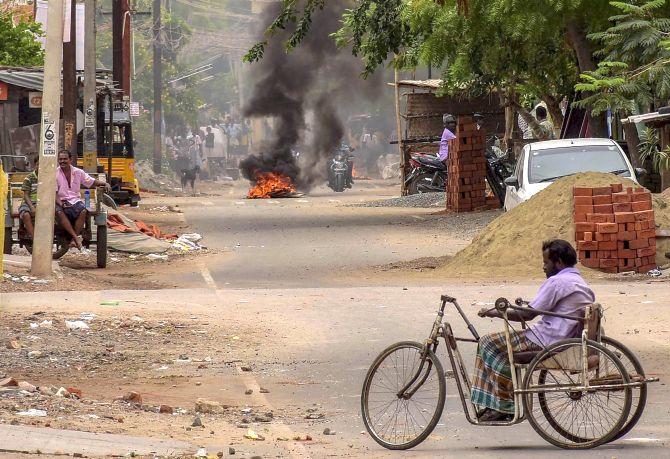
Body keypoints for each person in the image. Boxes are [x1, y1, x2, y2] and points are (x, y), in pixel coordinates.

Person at [472, 240, 595, 422]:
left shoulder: (557, 282)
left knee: (487, 343)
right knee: (494, 345)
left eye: (546, 263)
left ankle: (505, 404)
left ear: (559, 262)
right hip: (562, 337)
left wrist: (496, 312)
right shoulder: (578, 281)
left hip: (546, 340)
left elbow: (527, 315)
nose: (544, 267)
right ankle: (496, 404)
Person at [56, 150, 111, 249]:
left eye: (65, 159)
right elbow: (54, 194)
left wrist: (104, 183)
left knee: (83, 211)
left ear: (70, 160)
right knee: (59, 212)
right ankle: (76, 238)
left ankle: (74, 239)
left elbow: (91, 181)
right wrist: (62, 204)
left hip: (74, 200)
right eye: (60, 159)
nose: (62, 161)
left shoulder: (78, 172)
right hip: (60, 201)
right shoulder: (55, 173)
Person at [19, 157, 40, 238]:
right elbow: (26, 195)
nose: (40, 167)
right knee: (26, 215)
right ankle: (34, 238)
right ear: (35, 165)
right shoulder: (29, 178)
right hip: (29, 202)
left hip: (44, 202)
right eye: (38, 164)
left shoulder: (48, 177)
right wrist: (32, 207)